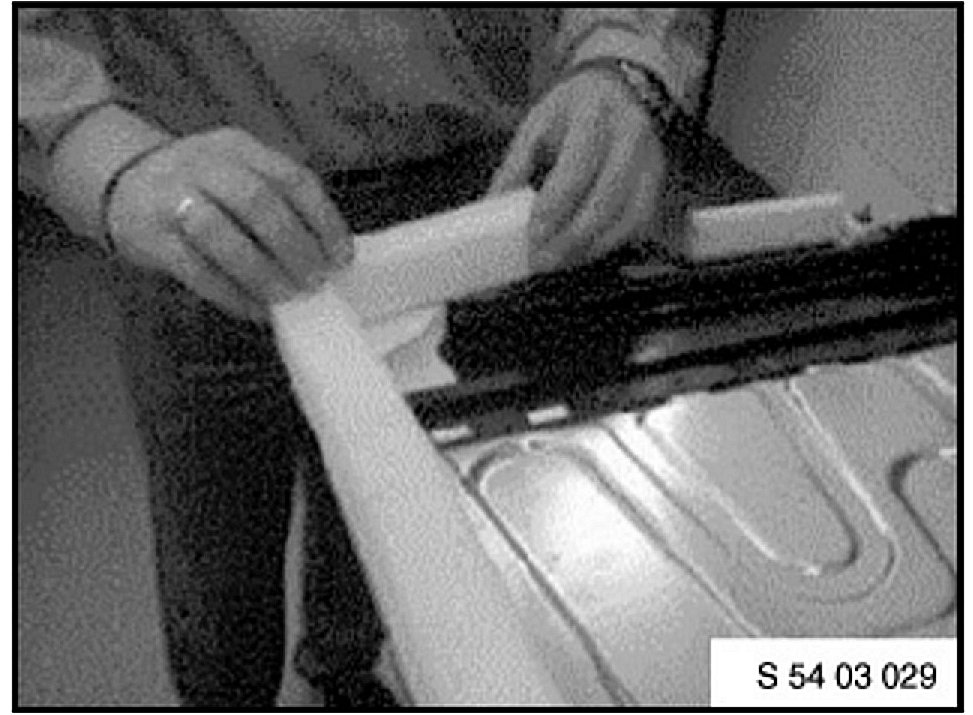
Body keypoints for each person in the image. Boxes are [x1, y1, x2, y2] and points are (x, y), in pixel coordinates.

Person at [18, 8, 716, 706]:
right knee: (216, 542)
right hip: (194, 186)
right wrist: (82, 136)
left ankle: (344, 671)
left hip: (467, 180)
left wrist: (624, 57)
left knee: (389, 503)